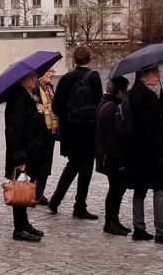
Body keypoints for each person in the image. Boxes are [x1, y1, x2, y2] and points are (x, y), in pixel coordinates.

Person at [126, 65, 163, 245]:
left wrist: (159, 103)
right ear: (144, 74)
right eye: (155, 72)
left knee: (141, 187)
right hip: (149, 151)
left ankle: (140, 228)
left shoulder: (140, 92)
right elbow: (148, 126)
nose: (158, 75)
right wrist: (159, 153)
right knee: (161, 186)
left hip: (141, 151)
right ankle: (162, 231)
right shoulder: (142, 94)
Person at [49, 45, 102, 219]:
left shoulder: (66, 78)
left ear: (74, 60)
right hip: (87, 130)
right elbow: (98, 106)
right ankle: (79, 206)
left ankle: (55, 200)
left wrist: (68, 116)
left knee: (72, 165)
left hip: (69, 131)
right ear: (89, 58)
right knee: (85, 168)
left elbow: (55, 106)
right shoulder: (93, 77)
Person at [5, 71, 47, 242]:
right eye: (32, 77)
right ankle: (19, 228)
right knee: (20, 190)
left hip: (32, 151)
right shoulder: (18, 99)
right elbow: (14, 130)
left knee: (26, 188)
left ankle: (25, 223)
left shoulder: (30, 95)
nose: (35, 80)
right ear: (22, 79)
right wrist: (20, 158)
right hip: (22, 154)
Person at [95, 76, 130, 236]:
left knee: (117, 189)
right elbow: (111, 137)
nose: (126, 93)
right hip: (112, 157)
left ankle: (114, 221)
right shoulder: (111, 108)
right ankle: (110, 222)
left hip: (109, 155)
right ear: (119, 91)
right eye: (125, 90)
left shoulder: (106, 104)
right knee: (115, 189)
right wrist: (120, 160)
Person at [32, 68, 58, 205]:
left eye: (53, 71)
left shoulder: (50, 88)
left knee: (46, 164)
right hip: (39, 131)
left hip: (50, 130)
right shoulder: (35, 88)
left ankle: (39, 192)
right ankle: (30, 191)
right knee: (36, 162)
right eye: (49, 71)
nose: (51, 74)